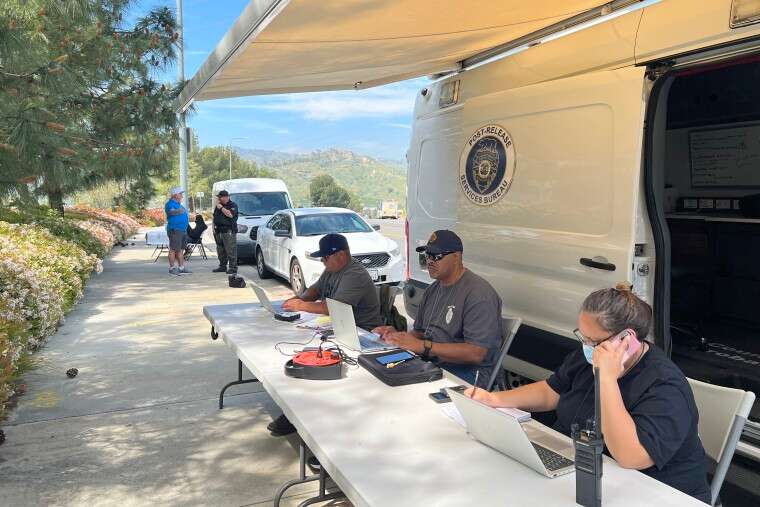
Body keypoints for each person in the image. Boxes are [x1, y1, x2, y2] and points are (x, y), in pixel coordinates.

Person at [466, 283, 710, 503]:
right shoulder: (589, 355)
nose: (587, 347)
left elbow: (630, 456)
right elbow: (552, 391)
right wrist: (494, 399)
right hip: (588, 473)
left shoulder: (664, 385)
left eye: (593, 341)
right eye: (582, 337)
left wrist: (607, 379)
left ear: (627, 339)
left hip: (657, 492)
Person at [268, 233, 382, 439]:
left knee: (318, 365)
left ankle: (306, 418)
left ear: (340, 255)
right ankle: (296, 412)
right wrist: (297, 300)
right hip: (338, 329)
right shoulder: (332, 270)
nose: (323, 262)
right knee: (304, 354)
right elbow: (315, 290)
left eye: (325, 258)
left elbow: (332, 307)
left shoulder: (354, 274)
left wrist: (302, 306)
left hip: (362, 335)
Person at [373, 230, 502, 385]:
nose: (430, 261)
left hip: (467, 374)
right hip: (433, 363)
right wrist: (397, 337)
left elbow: (476, 353)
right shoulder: (433, 289)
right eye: (427, 256)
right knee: (377, 369)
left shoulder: (479, 294)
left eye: (436, 256)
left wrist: (424, 347)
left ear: (456, 257)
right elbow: (420, 333)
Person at [164, 187, 190, 275]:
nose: (182, 196)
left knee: (180, 250)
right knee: (173, 249)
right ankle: (172, 269)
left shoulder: (179, 204)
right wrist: (180, 211)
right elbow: (172, 212)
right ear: (175, 195)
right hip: (175, 229)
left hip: (182, 230)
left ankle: (181, 268)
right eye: (180, 194)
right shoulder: (170, 204)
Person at [212, 190, 239, 274]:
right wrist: (213, 229)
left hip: (228, 231)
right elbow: (214, 217)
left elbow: (230, 215)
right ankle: (222, 266)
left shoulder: (232, 205)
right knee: (220, 250)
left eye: (220, 197)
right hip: (219, 231)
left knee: (230, 250)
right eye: (218, 197)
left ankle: (233, 268)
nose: (219, 199)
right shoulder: (219, 206)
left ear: (226, 197)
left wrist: (221, 208)